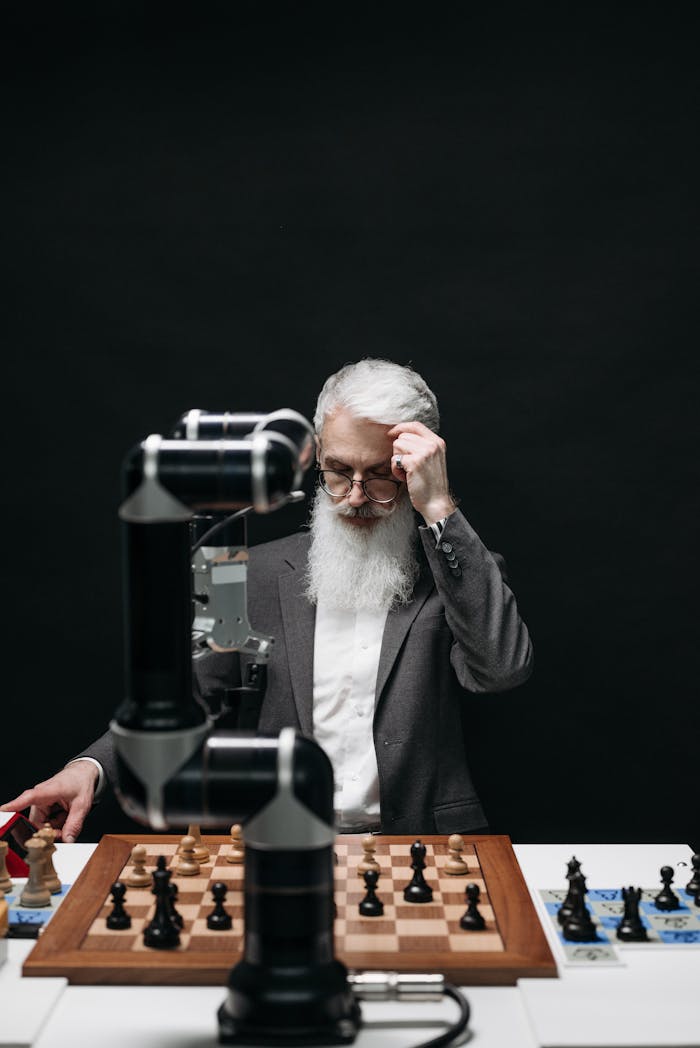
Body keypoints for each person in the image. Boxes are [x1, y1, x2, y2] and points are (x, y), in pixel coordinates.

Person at [2, 359, 533, 838]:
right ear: (318, 455)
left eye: (379, 477)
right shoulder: (233, 571)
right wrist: (89, 769)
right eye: (337, 471)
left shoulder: (459, 573)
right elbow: (190, 703)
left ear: (414, 470)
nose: (353, 497)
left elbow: (500, 669)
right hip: (276, 844)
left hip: (419, 843)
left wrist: (438, 505)